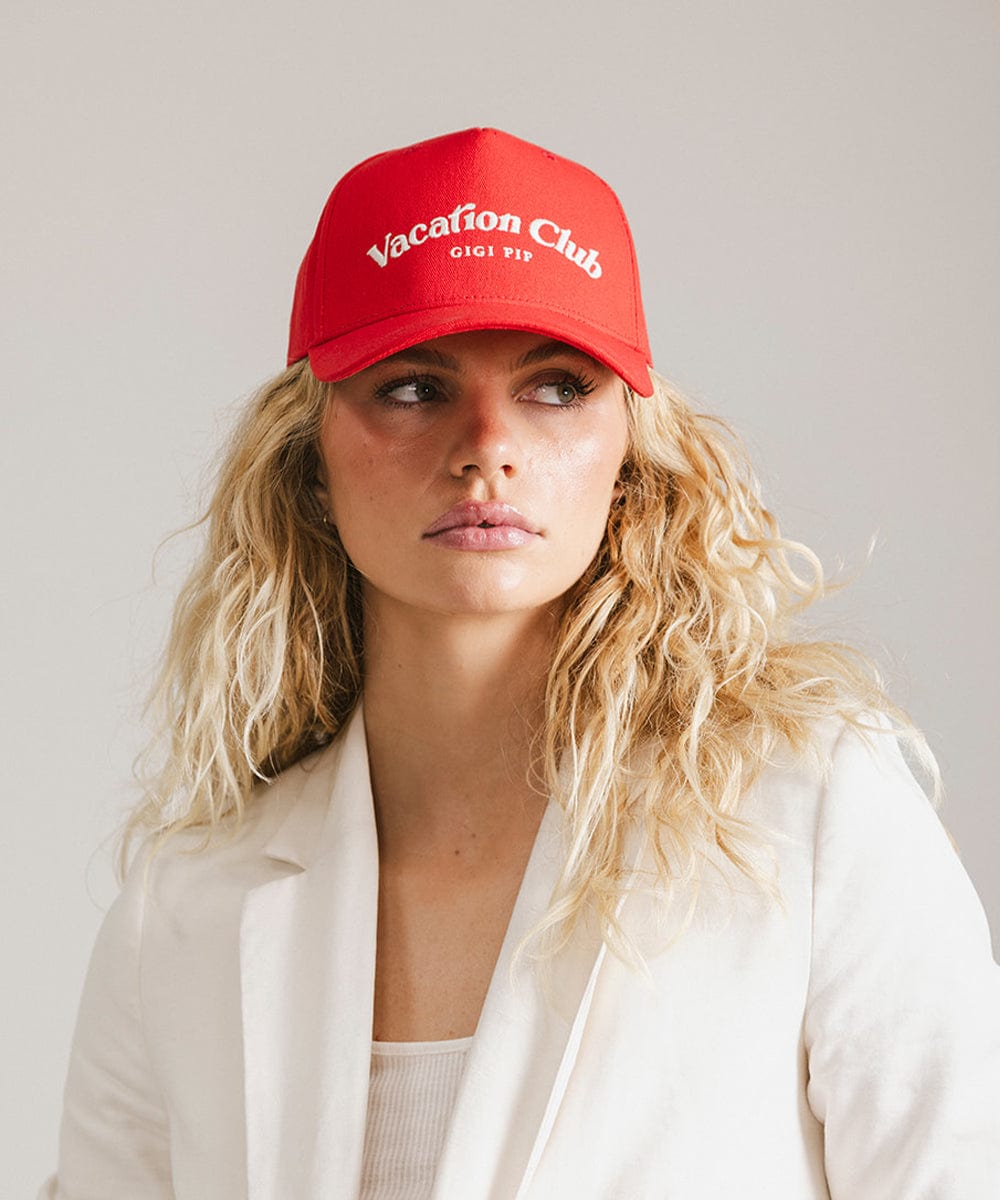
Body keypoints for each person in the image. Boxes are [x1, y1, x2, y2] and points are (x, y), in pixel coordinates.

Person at [40, 128, 1000, 1199]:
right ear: (309, 457)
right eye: (413, 387)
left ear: (630, 450)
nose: (486, 445)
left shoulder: (807, 819)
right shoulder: (184, 913)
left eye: (556, 386)